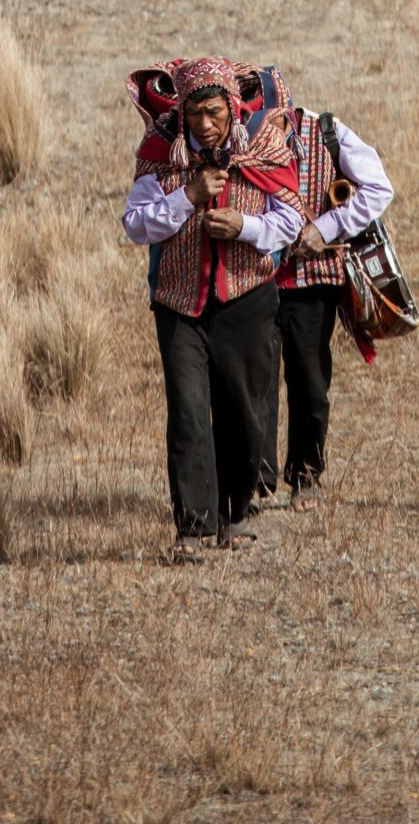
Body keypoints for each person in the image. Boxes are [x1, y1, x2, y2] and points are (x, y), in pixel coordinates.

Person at [123, 56, 303, 559]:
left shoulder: (263, 148)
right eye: (196, 113)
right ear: (183, 113)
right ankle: (194, 527)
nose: (206, 124)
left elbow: (289, 220)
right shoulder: (163, 153)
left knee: (242, 409)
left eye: (216, 112)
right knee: (187, 413)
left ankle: (236, 512)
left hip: (247, 297)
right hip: (179, 303)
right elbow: (137, 224)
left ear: (231, 107)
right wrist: (188, 196)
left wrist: (244, 229)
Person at [264, 95, 394, 507]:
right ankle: (252, 480)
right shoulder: (233, 137)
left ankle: (306, 476)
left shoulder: (325, 132)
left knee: (310, 383)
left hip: (312, 280)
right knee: (250, 384)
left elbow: (378, 187)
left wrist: (325, 227)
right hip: (251, 282)